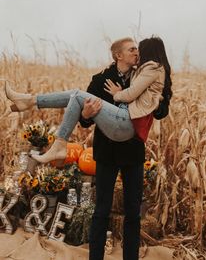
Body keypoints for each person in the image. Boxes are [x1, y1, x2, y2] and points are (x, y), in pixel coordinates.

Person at [5, 36, 172, 260]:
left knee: (133, 213)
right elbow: (83, 120)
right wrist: (86, 114)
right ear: (118, 56)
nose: (137, 54)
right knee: (101, 210)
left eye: (138, 50)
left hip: (132, 151)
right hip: (106, 152)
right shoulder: (101, 79)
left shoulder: (141, 75)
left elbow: (161, 112)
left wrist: (157, 98)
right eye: (132, 50)